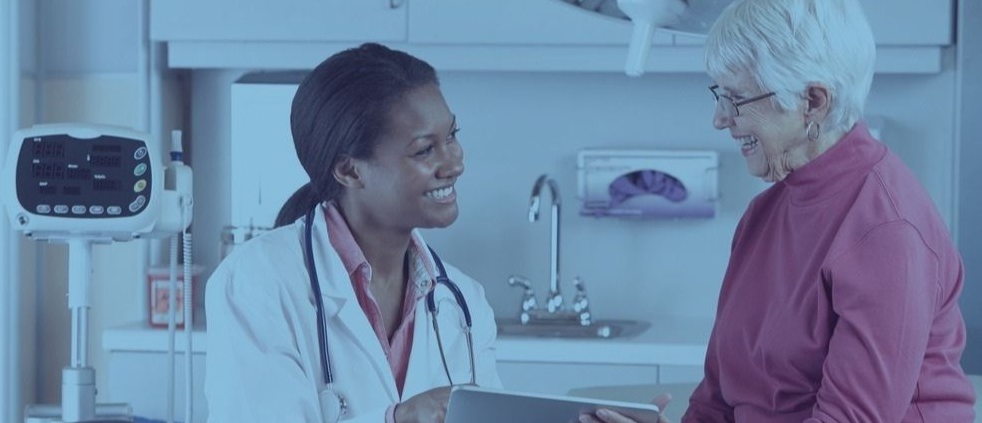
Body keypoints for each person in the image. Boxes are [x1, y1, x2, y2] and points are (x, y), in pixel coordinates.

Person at [584, 0, 977, 422]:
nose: (720, 119)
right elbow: (717, 399)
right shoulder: (764, 214)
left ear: (813, 101)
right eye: (719, 95)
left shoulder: (885, 230)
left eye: (737, 99)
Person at [204, 43, 501, 423]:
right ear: (349, 171)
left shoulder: (463, 303)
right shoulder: (256, 284)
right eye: (425, 150)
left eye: (452, 136)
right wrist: (396, 419)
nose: (455, 162)